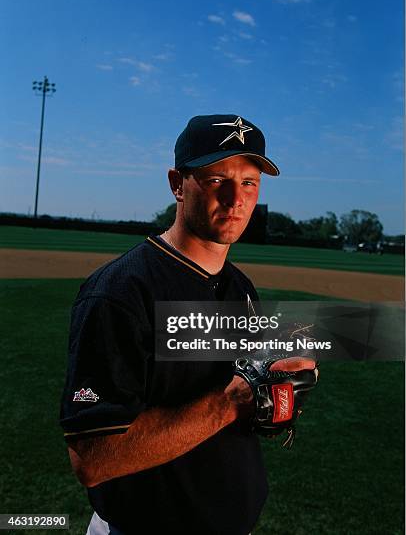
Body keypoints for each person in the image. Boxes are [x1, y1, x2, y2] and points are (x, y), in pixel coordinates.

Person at [60, 114, 315, 535]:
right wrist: (230, 403)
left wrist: (269, 405)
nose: (237, 199)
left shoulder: (240, 289)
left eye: (249, 182)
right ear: (177, 183)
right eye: (218, 180)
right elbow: (93, 458)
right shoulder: (120, 292)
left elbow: (234, 396)